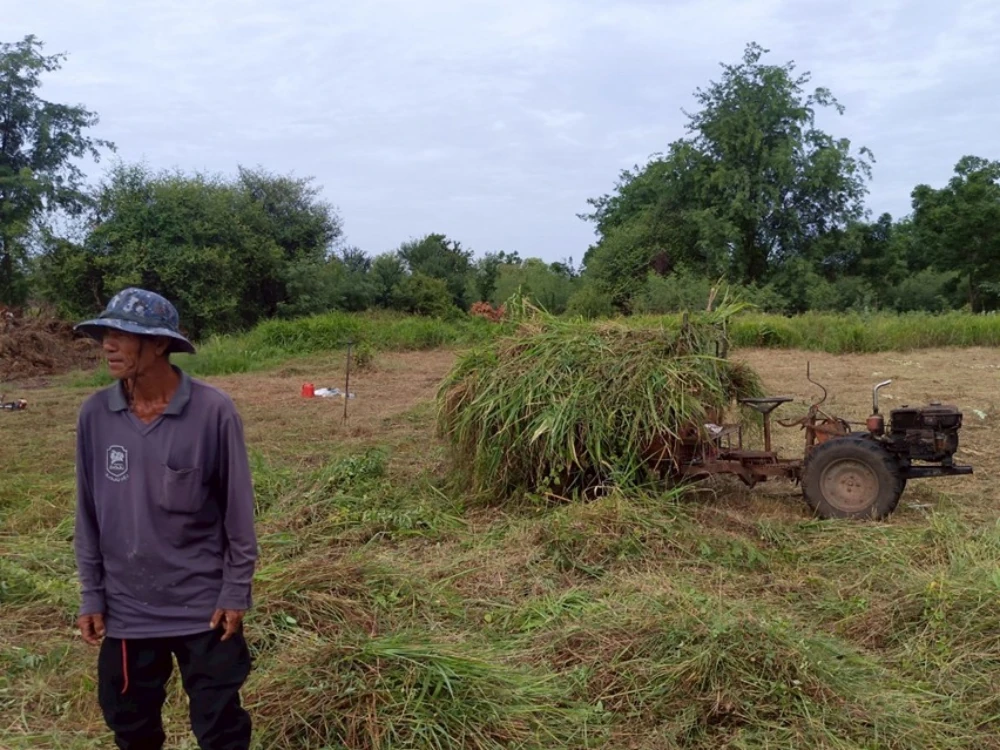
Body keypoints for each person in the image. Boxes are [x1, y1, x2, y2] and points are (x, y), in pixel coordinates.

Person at [72, 287, 258, 750]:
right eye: (105, 335)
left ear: (158, 344)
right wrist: (91, 595)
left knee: (221, 730)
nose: (108, 345)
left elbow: (238, 514)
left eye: (122, 335)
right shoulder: (95, 416)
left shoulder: (213, 412)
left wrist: (235, 592)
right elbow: (88, 514)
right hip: (129, 609)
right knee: (131, 728)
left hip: (204, 607)